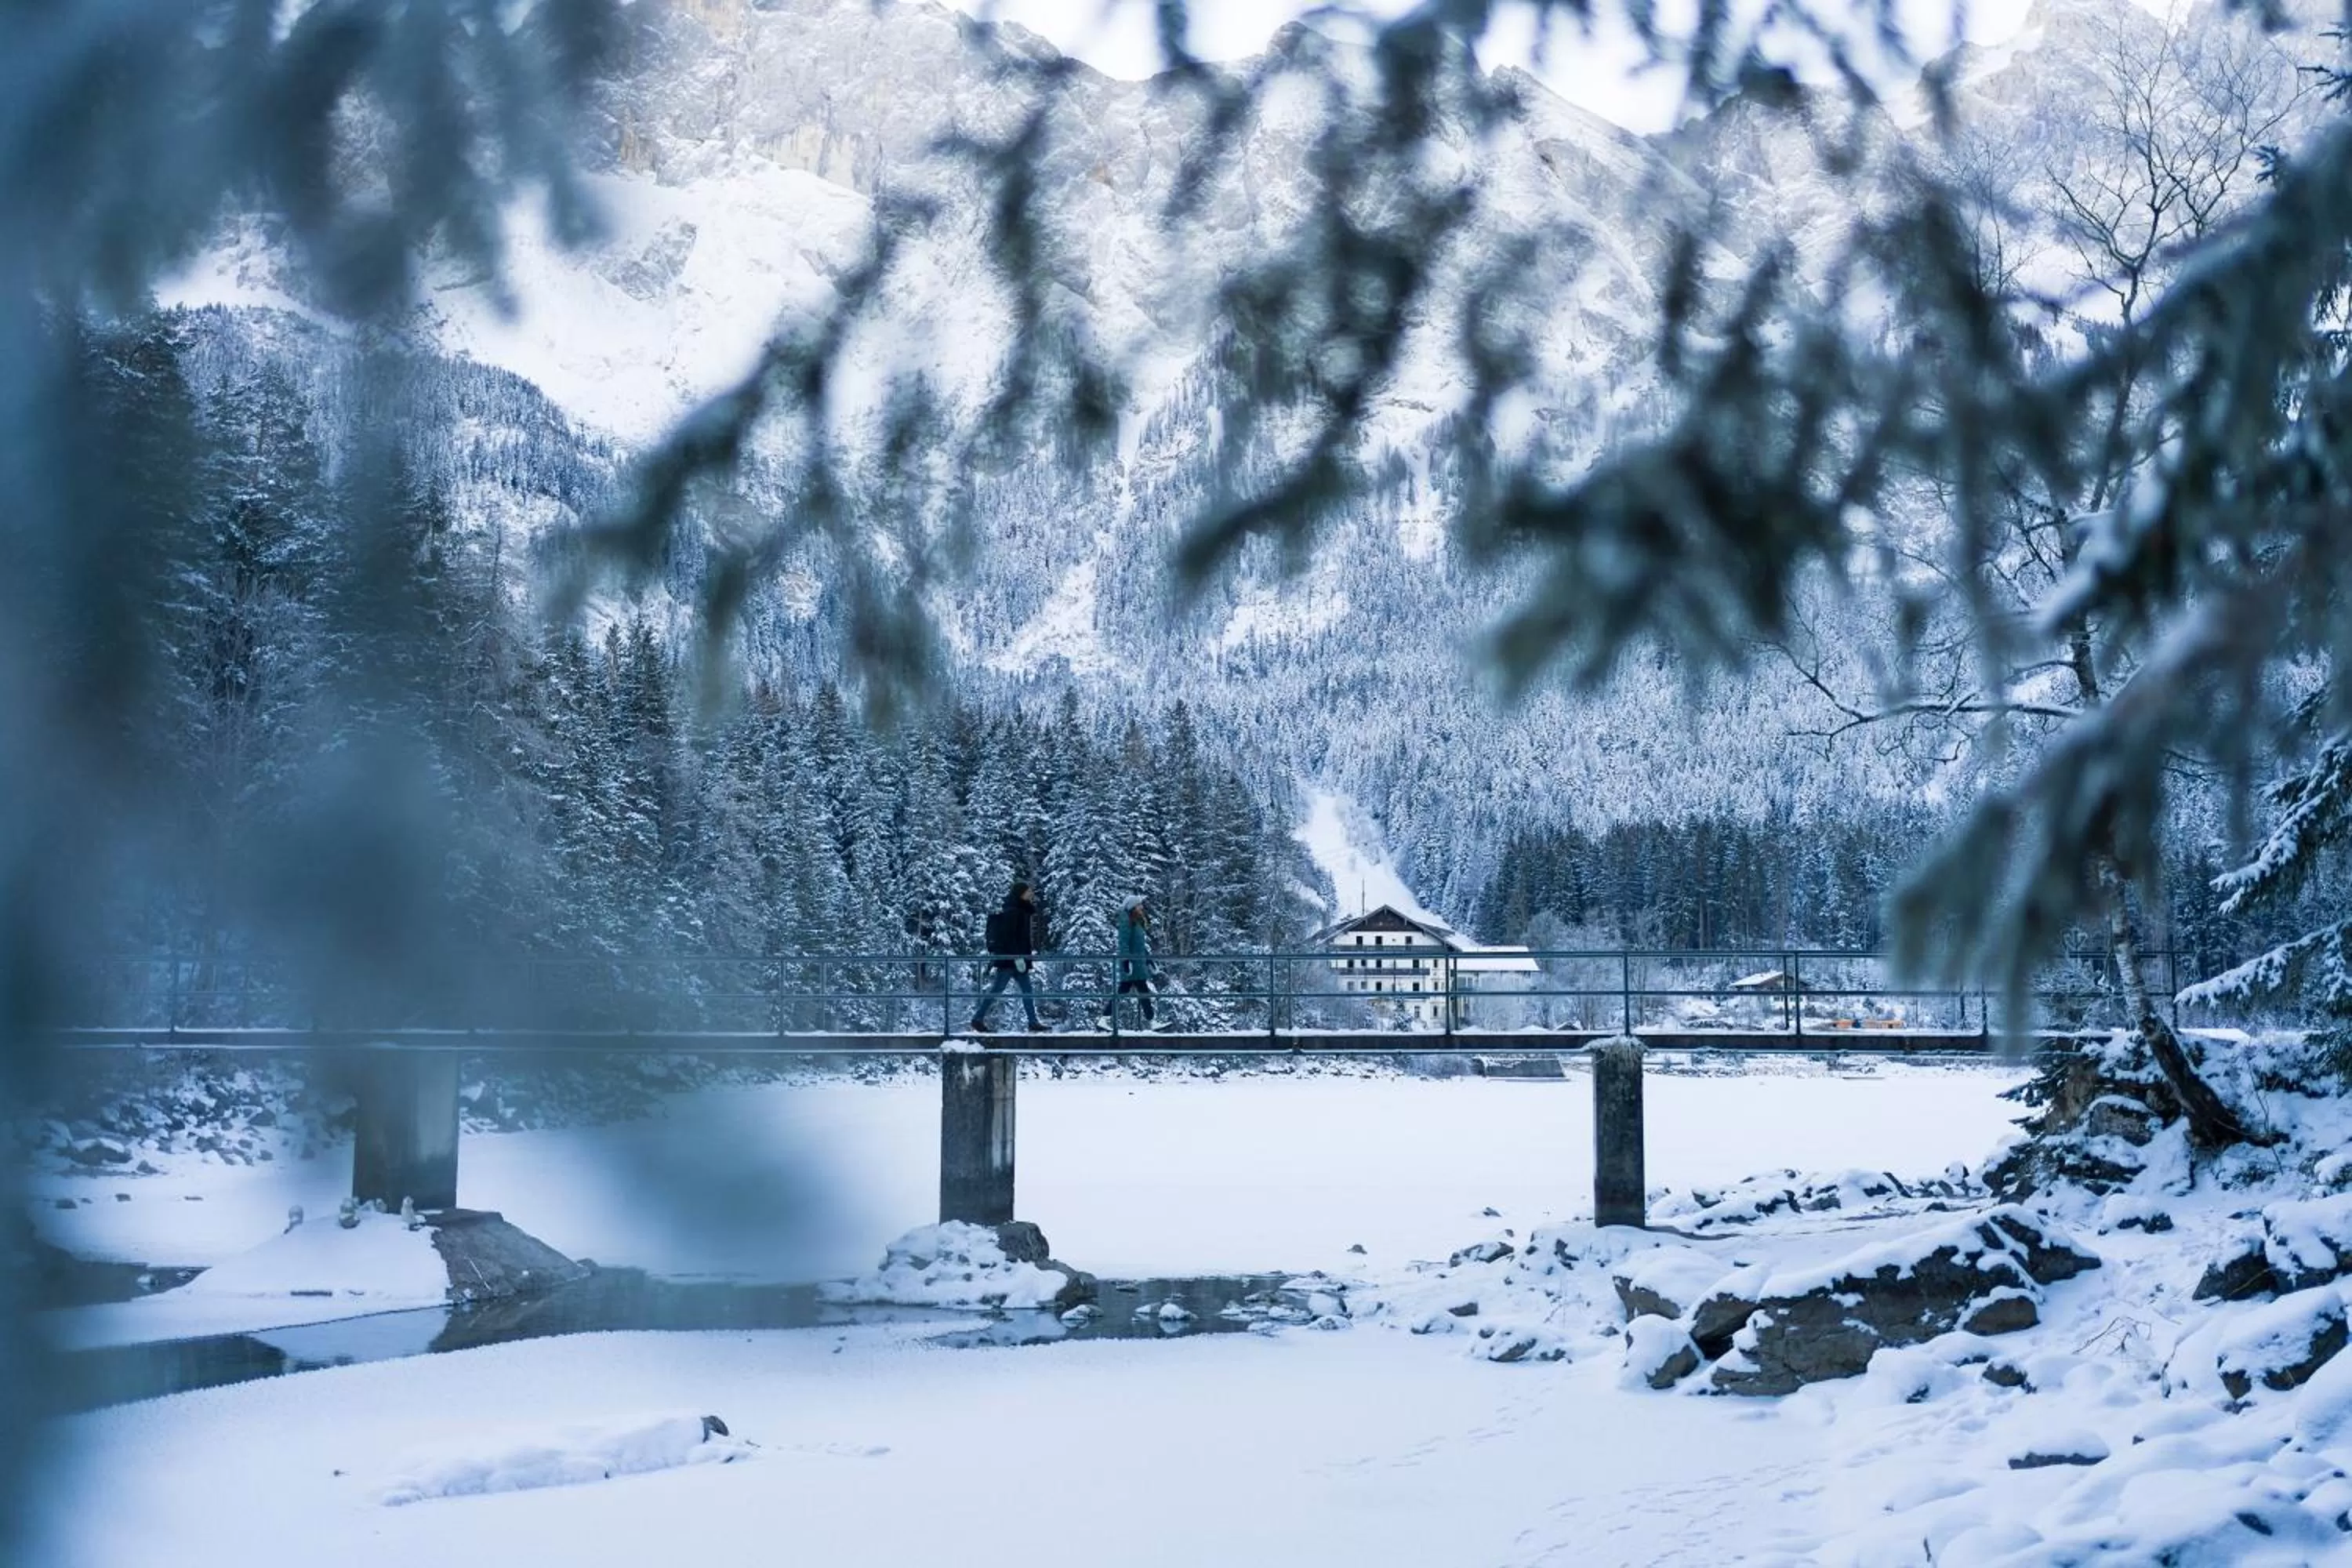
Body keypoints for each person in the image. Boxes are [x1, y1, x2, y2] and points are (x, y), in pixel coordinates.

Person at [969, 881, 1046, 1033]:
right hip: (1011, 961)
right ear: (1021, 893)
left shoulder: (1021, 910)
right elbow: (1009, 937)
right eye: (1028, 891)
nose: (1031, 893)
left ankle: (1032, 1022)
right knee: (999, 990)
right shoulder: (1013, 911)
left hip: (1017, 959)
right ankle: (978, 1018)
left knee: (1024, 990)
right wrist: (1017, 957)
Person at [1112, 893, 1160, 1029]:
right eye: (1139, 905)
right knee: (1128, 990)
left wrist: (1148, 960)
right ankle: (1105, 1017)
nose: (1141, 907)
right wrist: (1126, 961)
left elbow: (1139, 946)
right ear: (1132, 907)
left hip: (1138, 964)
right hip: (1132, 964)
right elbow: (1123, 943)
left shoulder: (1136, 922)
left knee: (1139, 990)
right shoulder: (1126, 921)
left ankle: (1152, 1021)